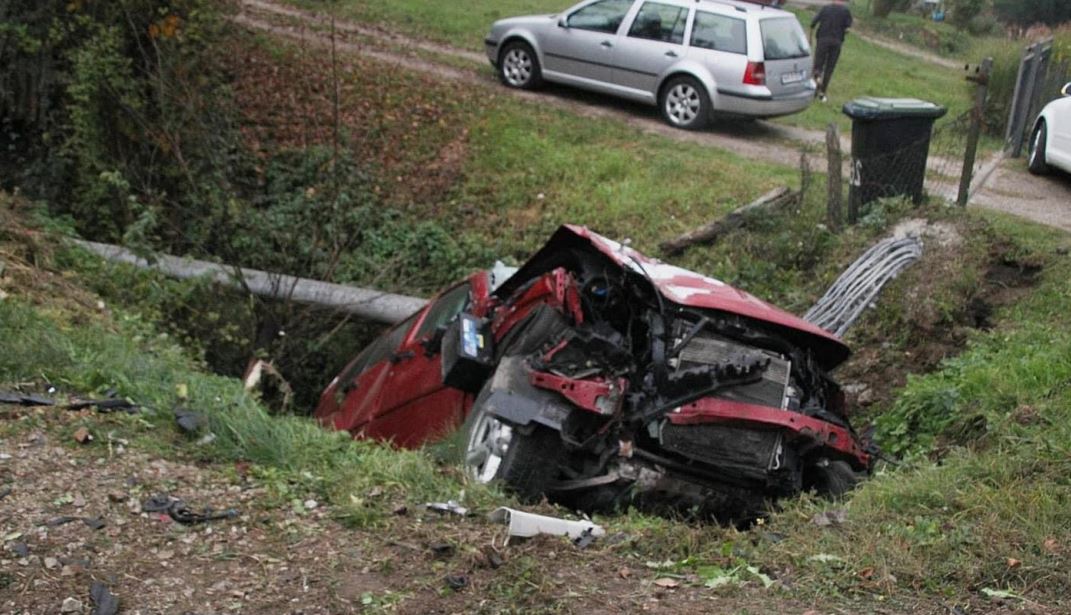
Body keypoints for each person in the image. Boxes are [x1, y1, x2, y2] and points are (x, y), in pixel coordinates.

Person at [810, 0, 853, 103]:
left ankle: (816, 84)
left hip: (823, 40)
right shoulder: (846, 11)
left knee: (818, 65)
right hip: (836, 42)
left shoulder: (826, 8)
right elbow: (847, 28)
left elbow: (813, 22)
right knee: (830, 68)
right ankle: (823, 93)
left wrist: (811, 36)